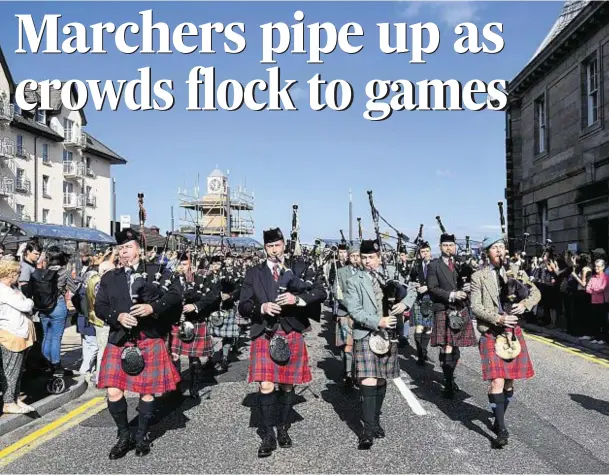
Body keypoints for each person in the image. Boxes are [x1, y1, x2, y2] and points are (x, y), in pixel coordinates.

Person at [238, 227, 327, 458]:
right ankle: (268, 435)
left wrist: (297, 299)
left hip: (291, 331)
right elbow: (243, 305)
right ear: (264, 247)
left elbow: (320, 292)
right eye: (269, 246)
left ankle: (283, 428)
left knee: (288, 385)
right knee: (266, 385)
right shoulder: (254, 273)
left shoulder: (299, 267)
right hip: (265, 333)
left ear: (284, 245)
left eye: (277, 245)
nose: (274, 250)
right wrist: (262, 307)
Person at [95, 228, 182, 459]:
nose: (124, 252)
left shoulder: (156, 271)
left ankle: (142, 435)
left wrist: (152, 307)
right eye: (121, 248)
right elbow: (100, 307)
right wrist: (117, 317)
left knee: (147, 391)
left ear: (139, 249)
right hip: (119, 338)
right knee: (113, 390)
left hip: (148, 337)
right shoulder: (109, 277)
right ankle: (124, 435)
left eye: (129, 247)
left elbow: (175, 295)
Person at [344, 239, 417, 449]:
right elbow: (355, 310)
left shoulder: (391, 273)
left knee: (382, 379)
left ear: (379, 256)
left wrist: (404, 304)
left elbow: (411, 290)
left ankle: (375, 420)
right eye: (364, 257)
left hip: (388, 334)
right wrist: (378, 321)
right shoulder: (354, 280)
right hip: (366, 333)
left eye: (371, 258)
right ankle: (366, 431)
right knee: (368, 379)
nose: (367, 262)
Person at [470, 235, 540, 447]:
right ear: (487, 252)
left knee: (509, 381)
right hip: (492, 331)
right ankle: (501, 428)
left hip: (513, 331)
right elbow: (475, 306)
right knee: (497, 381)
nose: (499, 251)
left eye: (501, 247)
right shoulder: (478, 276)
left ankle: (497, 416)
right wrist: (499, 318)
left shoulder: (516, 272)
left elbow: (535, 292)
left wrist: (524, 305)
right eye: (495, 248)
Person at [427, 232, 477, 398]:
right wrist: (452, 295)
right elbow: (433, 288)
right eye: (445, 245)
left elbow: (471, 280)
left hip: (461, 308)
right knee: (447, 345)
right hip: (444, 307)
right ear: (440, 247)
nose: (449, 248)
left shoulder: (462, 263)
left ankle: (450, 375)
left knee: (455, 345)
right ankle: (448, 382)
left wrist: (469, 287)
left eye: (451, 245)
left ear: (455, 246)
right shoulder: (434, 265)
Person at [0, 260, 36, 414]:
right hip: (10, 334)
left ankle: (15, 399)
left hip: (19, 333)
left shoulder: (12, 288)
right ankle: (8, 402)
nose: (19, 276)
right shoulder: (3, 290)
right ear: (10, 274)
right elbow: (26, 305)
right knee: (11, 370)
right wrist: (29, 301)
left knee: (18, 369)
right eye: (17, 273)